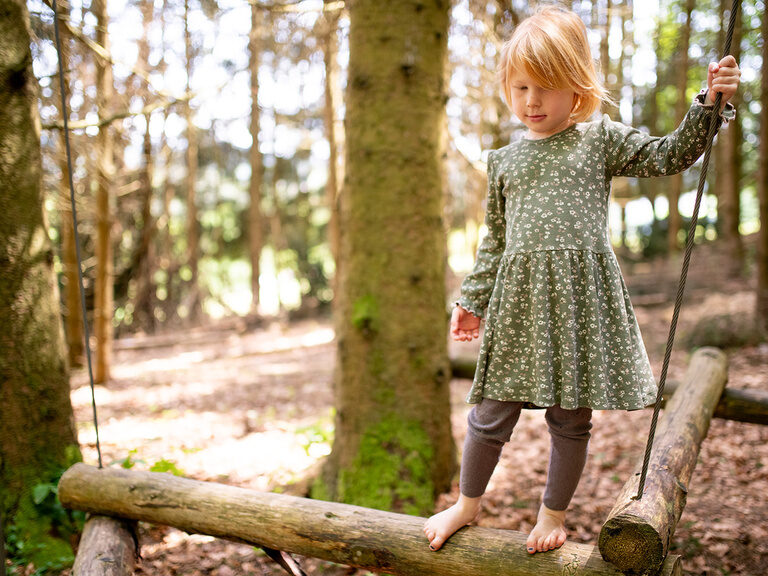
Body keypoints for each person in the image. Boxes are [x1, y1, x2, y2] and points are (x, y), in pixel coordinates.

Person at [423, 4, 740, 556]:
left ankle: (552, 515)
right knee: (490, 411)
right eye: (520, 88)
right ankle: (467, 504)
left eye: (545, 88)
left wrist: (708, 105)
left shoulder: (598, 140)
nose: (531, 102)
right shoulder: (504, 161)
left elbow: (670, 155)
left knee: (569, 418)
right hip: (519, 304)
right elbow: (495, 241)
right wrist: (472, 300)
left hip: (577, 302)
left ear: (577, 87)